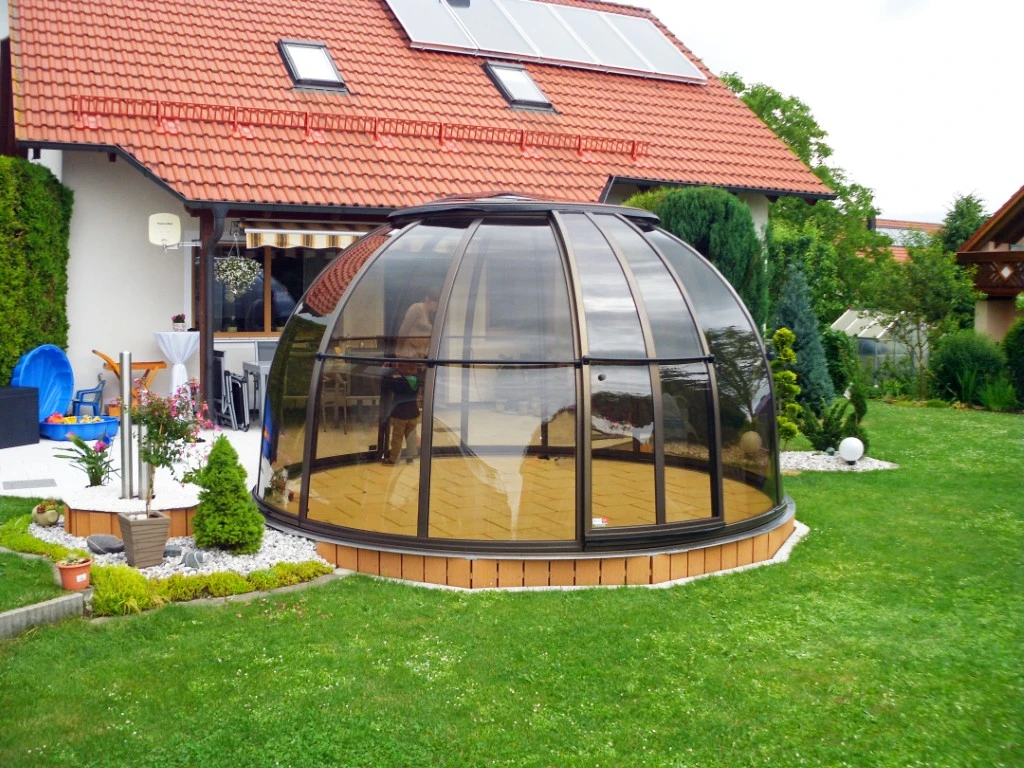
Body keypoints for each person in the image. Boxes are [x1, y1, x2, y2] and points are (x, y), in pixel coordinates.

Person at [381, 362, 422, 465]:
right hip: (413, 413)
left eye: (399, 366)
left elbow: (387, 383)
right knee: (411, 436)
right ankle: (410, 456)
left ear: (405, 370)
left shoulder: (400, 382)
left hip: (400, 414)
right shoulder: (416, 380)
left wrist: (385, 371)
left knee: (397, 437)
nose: (397, 368)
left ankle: (393, 458)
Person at [395, 288, 439, 360]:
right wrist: (397, 352)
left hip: (422, 355)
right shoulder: (416, 308)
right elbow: (404, 330)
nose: (437, 304)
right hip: (409, 353)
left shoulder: (431, 315)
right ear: (427, 299)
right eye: (435, 301)